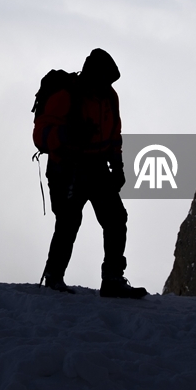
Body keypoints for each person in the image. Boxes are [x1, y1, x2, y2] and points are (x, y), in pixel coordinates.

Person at [33, 48, 147, 298]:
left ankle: (112, 279)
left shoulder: (109, 97)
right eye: (105, 79)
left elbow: (114, 133)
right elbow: (40, 135)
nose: (108, 85)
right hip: (67, 167)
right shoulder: (66, 96)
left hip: (96, 167)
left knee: (116, 218)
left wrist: (118, 167)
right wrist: (66, 135)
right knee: (68, 221)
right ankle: (54, 276)